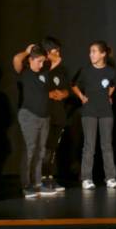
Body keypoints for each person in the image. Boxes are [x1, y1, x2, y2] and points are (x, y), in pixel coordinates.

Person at [71, 41, 116, 190]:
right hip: (89, 112)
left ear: (103, 54)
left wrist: (108, 95)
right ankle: (86, 178)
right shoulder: (85, 70)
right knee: (89, 146)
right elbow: (74, 84)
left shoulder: (112, 72)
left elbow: (113, 85)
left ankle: (110, 178)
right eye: (90, 52)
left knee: (107, 145)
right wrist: (81, 97)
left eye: (94, 51)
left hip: (106, 112)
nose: (91, 54)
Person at [12, 44, 56, 198]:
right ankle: (26, 185)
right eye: (38, 61)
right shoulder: (24, 72)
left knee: (41, 150)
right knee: (30, 149)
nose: (41, 64)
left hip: (44, 117)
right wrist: (27, 51)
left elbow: (57, 60)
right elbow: (16, 59)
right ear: (30, 60)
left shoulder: (44, 72)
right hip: (29, 115)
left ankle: (37, 183)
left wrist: (44, 53)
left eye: (43, 61)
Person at [41, 37, 70, 191]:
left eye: (59, 51)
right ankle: (39, 179)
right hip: (44, 114)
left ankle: (49, 177)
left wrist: (63, 93)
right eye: (55, 51)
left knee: (52, 149)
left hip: (58, 115)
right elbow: (38, 89)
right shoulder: (40, 68)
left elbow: (67, 89)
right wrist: (49, 94)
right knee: (43, 148)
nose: (58, 54)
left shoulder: (62, 69)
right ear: (46, 52)